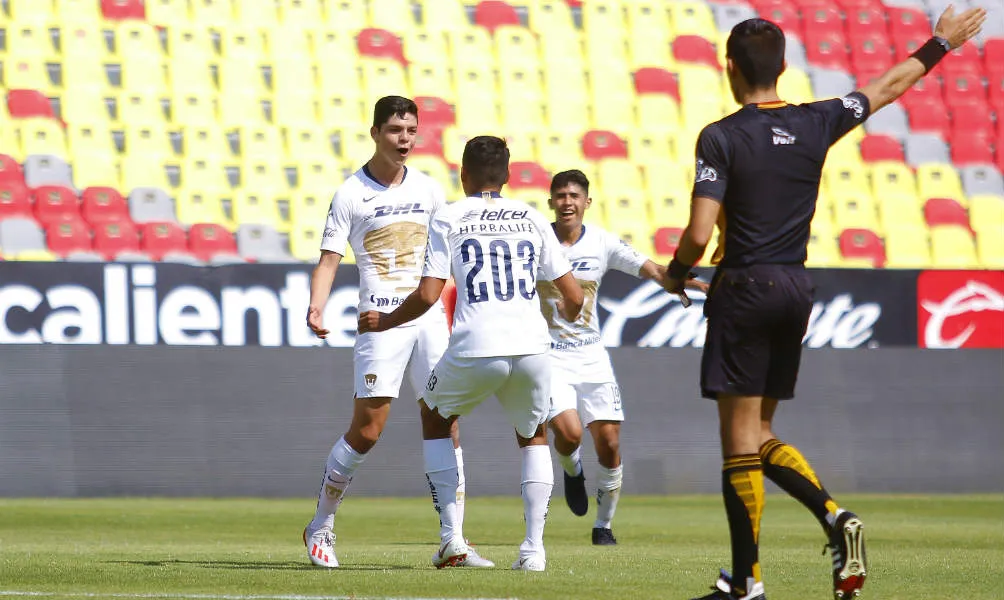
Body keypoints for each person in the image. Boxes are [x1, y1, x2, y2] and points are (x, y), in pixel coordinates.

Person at [662, 9, 986, 600]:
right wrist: (941, 41)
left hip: (743, 287)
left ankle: (748, 582)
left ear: (729, 67)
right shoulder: (817, 121)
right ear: (784, 66)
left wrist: (677, 274)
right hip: (795, 289)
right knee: (761, 432)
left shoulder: (721, 135)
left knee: (737, 440)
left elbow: (699, 232)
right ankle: (833, 523)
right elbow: (887, 87)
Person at [359, 136, 584, 572]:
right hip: (531, 345)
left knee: (436, 417)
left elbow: (428, 295)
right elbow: (572, 296)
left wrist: (384, 321)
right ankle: (533, 551)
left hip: (476, 344)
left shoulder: (449, 216)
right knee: (534, 433)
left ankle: (451, 539)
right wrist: (564, 319)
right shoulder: (532, 217)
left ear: (463, 174)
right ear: (509, 176)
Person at [303, 96, 492, 569]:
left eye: (410, 130)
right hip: (379, 320)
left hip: (427, 319)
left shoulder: (429, 190)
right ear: (375, 133)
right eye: (394, 130)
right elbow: (330, 258)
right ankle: (321, 524)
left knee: (444, 420)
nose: (404, 139)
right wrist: (316, 306)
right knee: (369, 429)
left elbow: (446, 260)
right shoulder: (351, 193)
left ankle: (453, 540)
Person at [539, 170, 707, 545]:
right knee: (567, 434)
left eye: (574, 195)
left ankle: (603, 526)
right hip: (549, 357)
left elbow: (652, 270)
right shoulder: (536, 240)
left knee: (611, 443)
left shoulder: (601, 242)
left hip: (591, 356)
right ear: (550, 202)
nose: (567, 201)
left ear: (586, 202)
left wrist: (676, 279)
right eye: (560, 195)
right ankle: (572, 468)